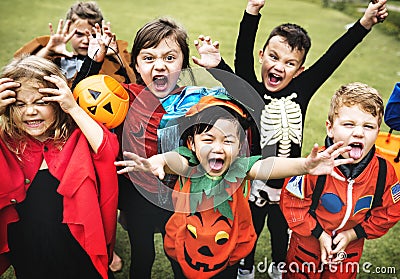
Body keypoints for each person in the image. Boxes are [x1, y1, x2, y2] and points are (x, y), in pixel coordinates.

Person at [192, 1, 388, 277]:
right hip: (256, 182)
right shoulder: (251, 91)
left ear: (299, 70)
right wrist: (251, 12)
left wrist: (364, 23)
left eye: (289, 63)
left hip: (290, 185)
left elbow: (334, 57)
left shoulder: (302, 88)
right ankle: (245, 268)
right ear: (262, 56)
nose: (278, 67)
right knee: (249, 229)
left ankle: (278, 266)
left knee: (282, 232)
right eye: (273, 57)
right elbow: (241, 60)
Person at [115, 94, 354, 279]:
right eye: (208, 139)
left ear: (239, 146)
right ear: (192, 143)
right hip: (184, 247)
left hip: (227, 253)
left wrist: (305, 165)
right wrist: (157, 161)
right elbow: (173, 161)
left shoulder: (239, 168)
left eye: (227, 140)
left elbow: (268, 166)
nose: (217, 148)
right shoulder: (190, 163)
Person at [73, 17, 236, 278]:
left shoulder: (194, 99)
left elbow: (242, 104)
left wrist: (220, 67)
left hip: (180, 195)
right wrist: (94, 61)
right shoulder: (123, 96)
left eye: (170, 58)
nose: (159, 65)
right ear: (135, 62)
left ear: (183, 62)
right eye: (148, 58)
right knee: (142, 254)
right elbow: (78, 99)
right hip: (137, 195)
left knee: (181, 255)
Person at [0, 55, 119, 278]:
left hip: (78, 249)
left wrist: (73, 108)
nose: (30, 111)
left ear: (58, 102)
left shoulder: (76, 138)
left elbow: (107, 150)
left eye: (41, 102)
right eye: (19, 104)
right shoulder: (8, 143)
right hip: (30, 252)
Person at [280, 82, 400, 279]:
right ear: (330, 128)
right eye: (349, 124)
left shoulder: (385, 173)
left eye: (368, 126)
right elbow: (292, 203)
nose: (359, 133)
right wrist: (318, 233)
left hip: (348, 250)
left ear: (378, 132)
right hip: (306, 246)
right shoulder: (313, 166)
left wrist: (352, 234)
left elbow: (390, 212)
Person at [13, 1, 135, 86]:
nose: (86, 41)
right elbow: (20, 74)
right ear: (68, 32)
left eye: (92, 36)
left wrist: (115, 54)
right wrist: (47, 51)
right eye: (79, 34)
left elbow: (136, 82)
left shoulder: (111, 62)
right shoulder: (57, 61)